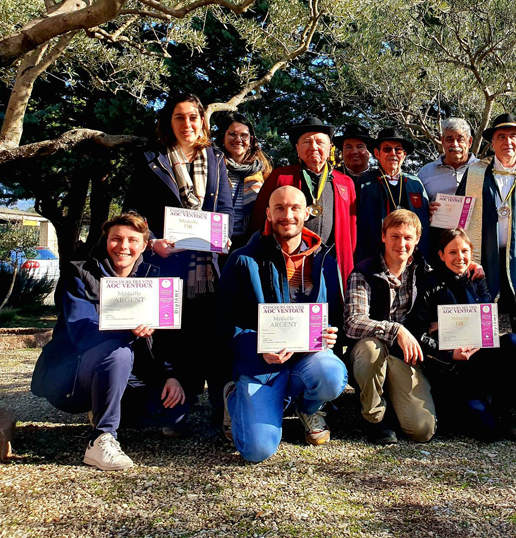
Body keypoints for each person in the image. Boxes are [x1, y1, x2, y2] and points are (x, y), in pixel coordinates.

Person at [31, 213, 189, 470]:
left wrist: (170, 374)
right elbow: (81, 332)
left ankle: (106, 406)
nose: (123, 246)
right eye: (116, 239)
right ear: (106, 241)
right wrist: (127, 328)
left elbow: (167, 338)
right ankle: (101, 438)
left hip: (132, 373)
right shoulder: (80, 274)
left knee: (174, 412)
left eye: (132, 240)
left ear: (144, 244)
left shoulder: (154, 278)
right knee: (118, 352)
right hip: (77, 373)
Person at [123, 91, 233, 424]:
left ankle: (221, 407)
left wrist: (223, 235)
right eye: (179, 117)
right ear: (169, 122)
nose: (187, 123)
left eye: (193, 117)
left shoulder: (215, 159)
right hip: (166, 266)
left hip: (208, 269)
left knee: (212, 337)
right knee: (174, 338)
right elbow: (133, 211)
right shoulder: (151, 159)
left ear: (202, 121)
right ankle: (177, 409)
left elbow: (225, 207)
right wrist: (152, 240)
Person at [219, 186, 347, 462]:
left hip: (306, 360)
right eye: (279, 208)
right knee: (257, 451)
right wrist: (258, 347)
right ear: (268, 213)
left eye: (294, 208)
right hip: (259, 363)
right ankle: (235, 397)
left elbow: (334, 313)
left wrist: (332, 334)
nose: (287, 215)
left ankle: (307, 407)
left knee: (332, 374)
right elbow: (223, 322)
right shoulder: (243, 259)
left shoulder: (325, 260)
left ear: (306, 214)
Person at [406, 228, 516, 442]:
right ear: (441, 255)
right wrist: (448, 353)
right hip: (451, 366)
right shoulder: (428, 284)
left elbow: (490, 319)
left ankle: (504, 409)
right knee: (487, 433)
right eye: (452, 252)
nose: (459, 257)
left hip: (479, 354)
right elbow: (418, 332)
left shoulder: (477, 277)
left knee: (513, 342)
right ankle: (466, 408)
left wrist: (444, 323)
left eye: (464, 251)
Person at [345, 210, 438, 444]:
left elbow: (456, 271)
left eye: (408, 237)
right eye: (395, 236)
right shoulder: (364, 272)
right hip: (369, 352)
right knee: (371, 349)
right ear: (383, 236)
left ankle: (394, 401)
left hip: (402, 357)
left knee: (422, 430)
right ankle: (375, 419)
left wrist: (471, 270)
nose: (401, 244)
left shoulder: (425, 273)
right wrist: (396, 330)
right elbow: (353, 322)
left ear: (417, 240)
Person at [456, 113, 516, 318]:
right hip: (485, 255)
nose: (508, 142)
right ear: (493, 142)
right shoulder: (475, 173)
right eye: (501, 137)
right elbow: (459, 217)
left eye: (513, 136)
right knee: (484, 310)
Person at [250, 117, 357, 286]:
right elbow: (259, 220)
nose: (314, 147)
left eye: (320, 142)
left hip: (331, 262)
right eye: (307, 142)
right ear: (297, 149)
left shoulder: (345, 183)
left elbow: (352, 229)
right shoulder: (281, 177)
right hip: (289, 261)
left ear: (330, 148)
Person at [355, 128, 431, 262]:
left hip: (409, 255)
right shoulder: (364, 183)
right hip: (374, 254)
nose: (393, 153)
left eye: (398, 150)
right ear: (377, 153)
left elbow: (424, 220)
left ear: (404, 155)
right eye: (387, 149)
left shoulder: (415, 183)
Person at [215, 112, 272, 253]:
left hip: (250, 242)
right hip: (216, 240)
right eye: (232, 134)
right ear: (223, 137)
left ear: (251, 140)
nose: (238, 139)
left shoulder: (263, 171)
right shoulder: (214, 167)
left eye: (244, 135)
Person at [418, 117, 480, 200]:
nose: (455, 144)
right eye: (449, 140)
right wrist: (427, 208)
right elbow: (416, 206)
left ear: (469, 142)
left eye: (460, 139)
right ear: (443, 141)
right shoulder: (425, 173)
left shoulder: (484, 170)